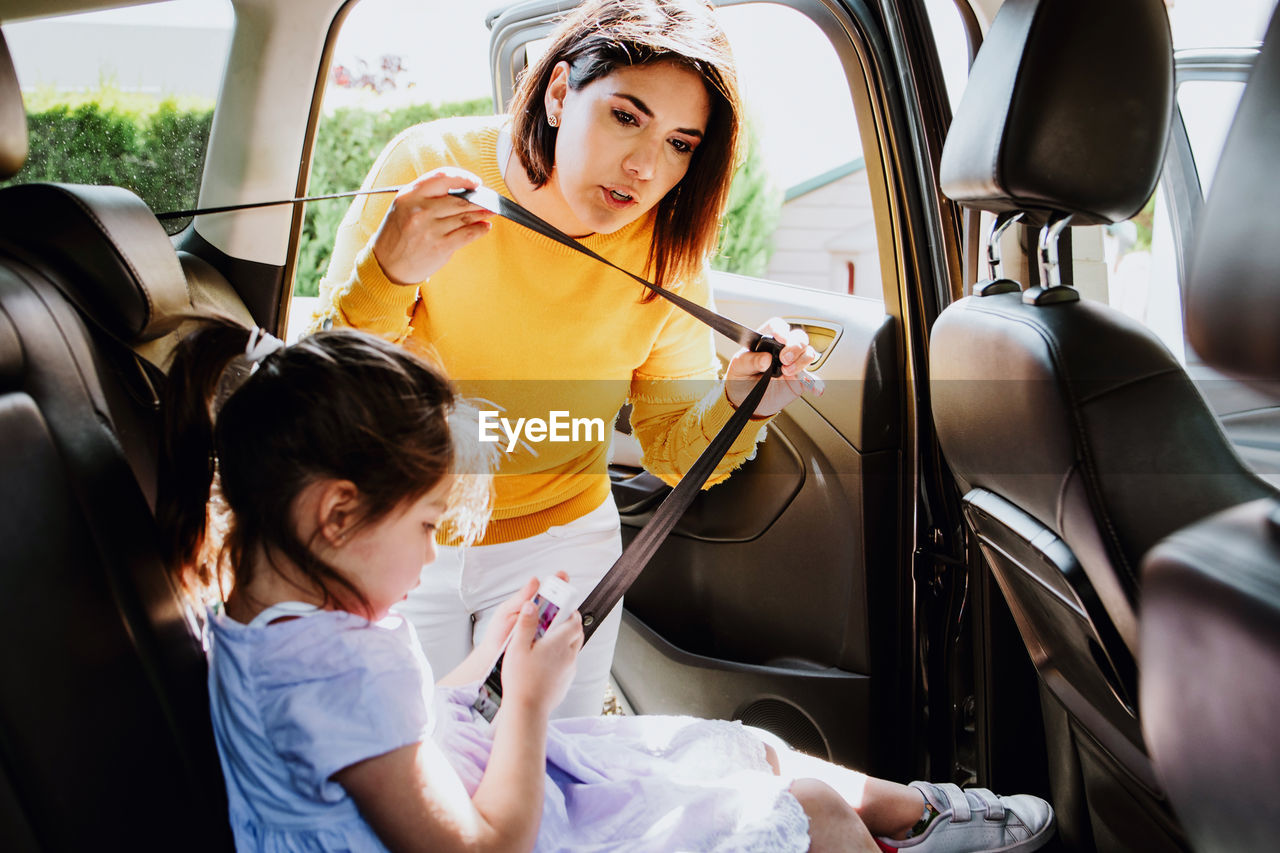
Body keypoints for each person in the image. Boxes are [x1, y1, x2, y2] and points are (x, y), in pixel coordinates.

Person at [159, 321, 1056, 853]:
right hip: (509, 826)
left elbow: (394, 729)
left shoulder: (271, 618)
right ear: (336, 515)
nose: (434, 560)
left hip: (483, 781)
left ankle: (921, 812)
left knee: (742, 750)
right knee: (807, 810)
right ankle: (914, 822)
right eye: (429, 527)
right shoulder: (333, 666)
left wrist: (482, 661)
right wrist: (531, 703)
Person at [310, 0, 823, 718]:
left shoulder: (668, 253)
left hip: (559, 548)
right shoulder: (429, 166)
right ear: (558, 94)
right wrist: (388, 274)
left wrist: (746, 400)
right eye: (625, 116)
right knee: (406, 772)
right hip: (395, 527)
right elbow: (333, 395)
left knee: (553, 780)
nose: (645, 166)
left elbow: (675, 446)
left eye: (681, 143)